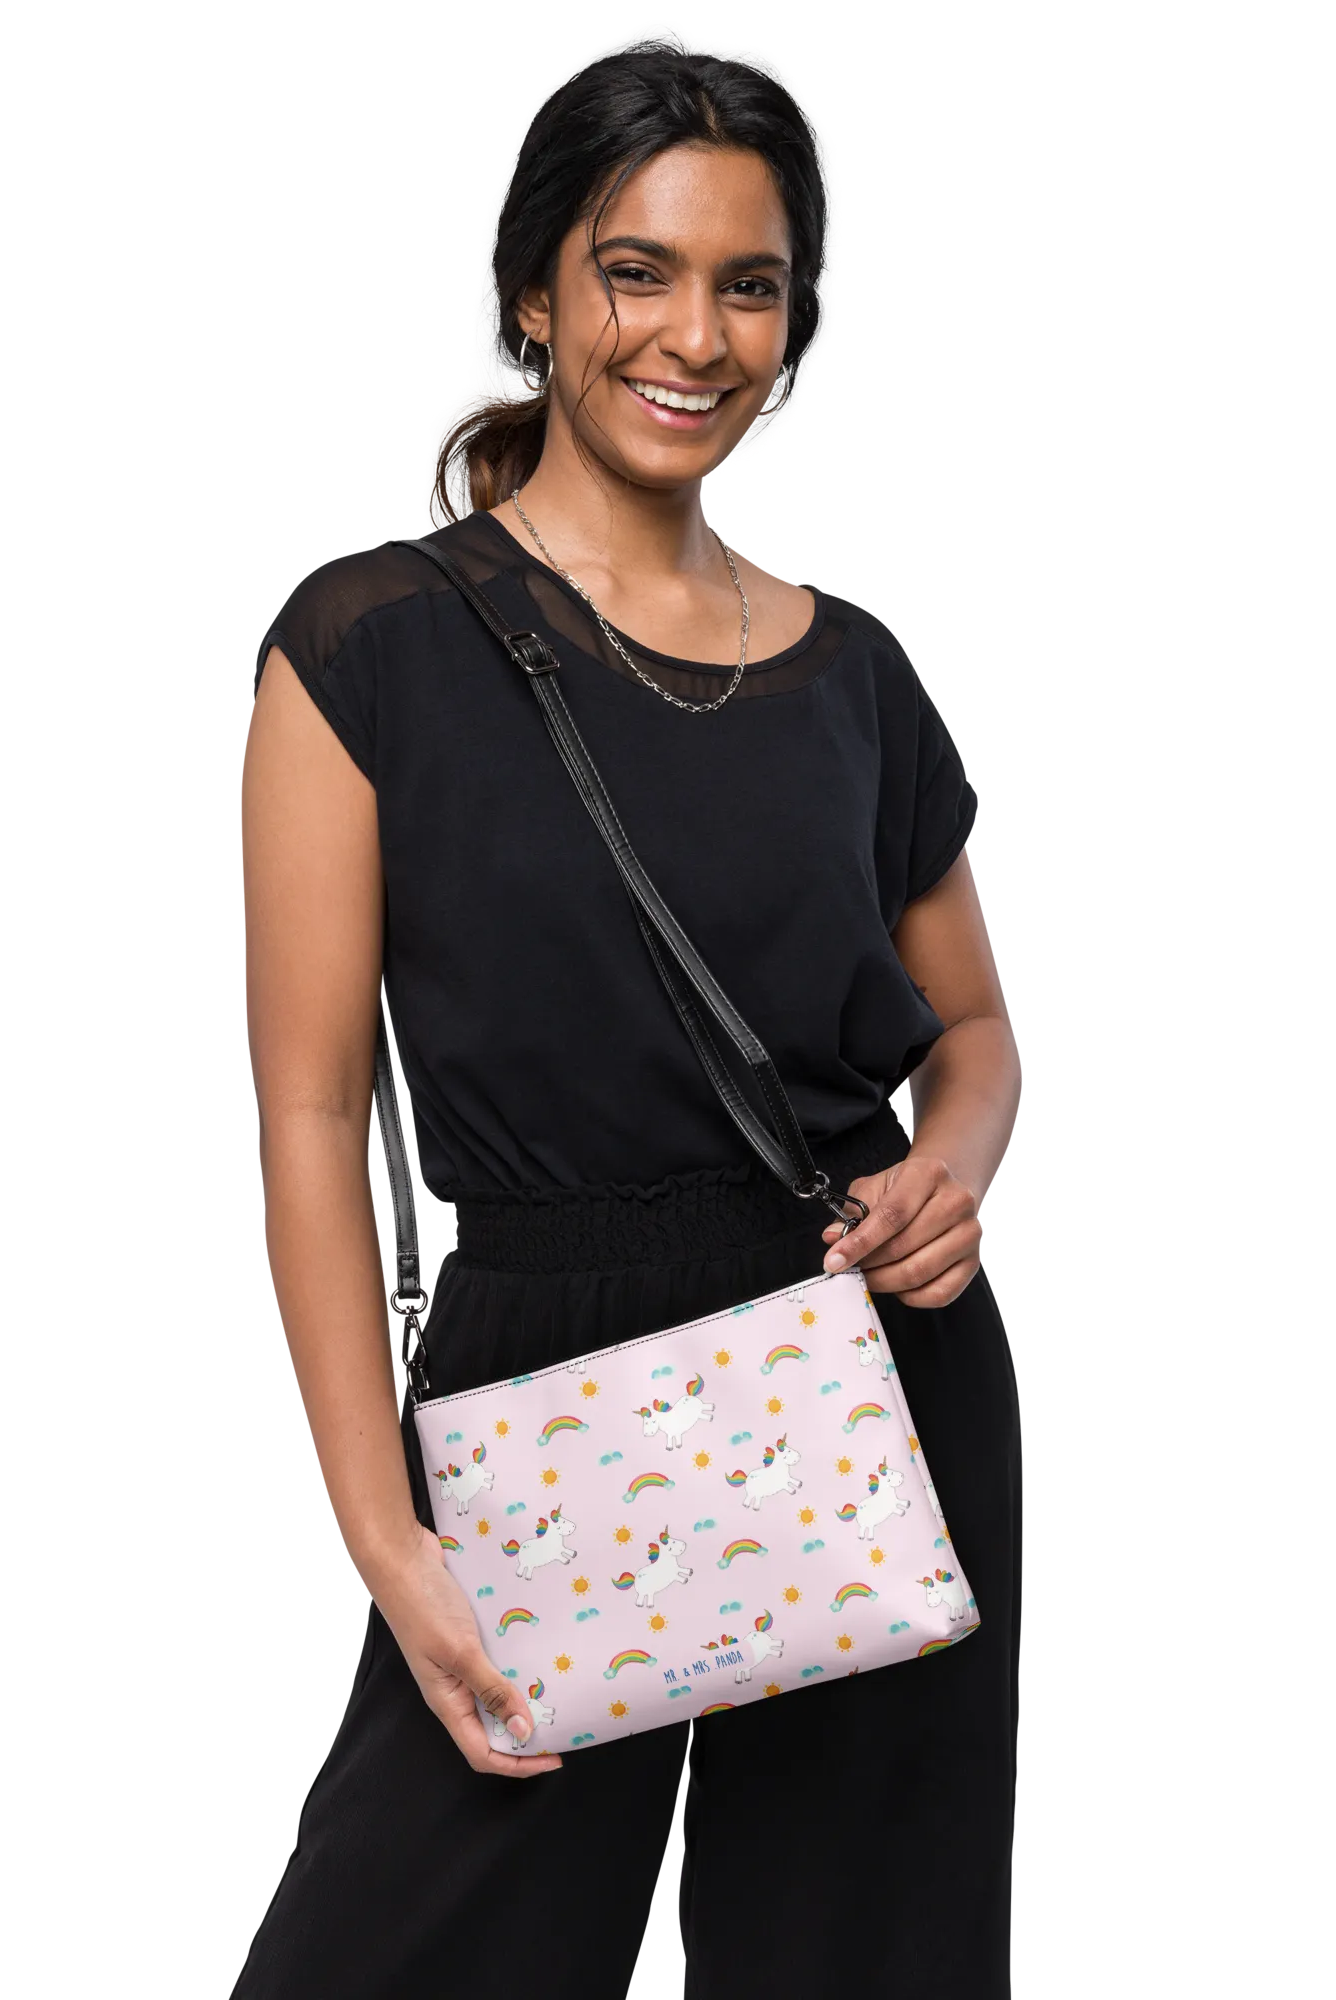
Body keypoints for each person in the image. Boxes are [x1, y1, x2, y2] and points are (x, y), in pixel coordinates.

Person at [235, 29, 1021, 1997]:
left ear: (794, 324)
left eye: (748, 284)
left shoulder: (857, 671)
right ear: (537, 295)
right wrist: (383, 1533)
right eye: (636, 271)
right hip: (542, 1380)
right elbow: (309, 1116)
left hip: (867, 1371)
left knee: (868, 1963)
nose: (693, 334)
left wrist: (951, 1165)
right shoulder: (368, 641)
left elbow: (973, 1029)